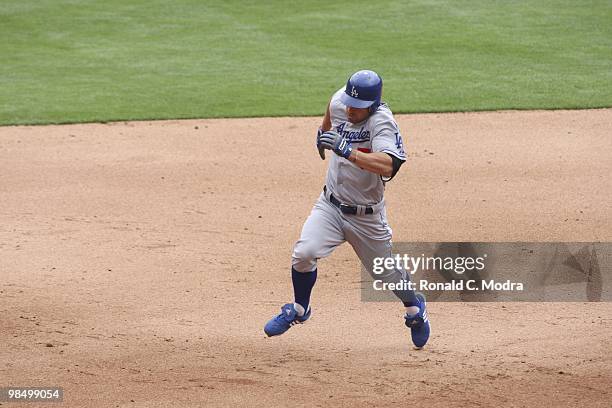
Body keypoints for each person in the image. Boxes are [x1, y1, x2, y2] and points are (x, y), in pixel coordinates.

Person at [263, 70, 430, 348]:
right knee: (304, 252)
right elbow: (331, 114)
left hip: (366, 216)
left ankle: (415, 308)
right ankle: (300, 310)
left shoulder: (382, 123)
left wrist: (347, 150)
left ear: (373, 105)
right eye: (349, 103)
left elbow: (389, 164)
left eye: (359, 108)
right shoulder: (342, 101)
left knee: (385, 273)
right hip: (330, 205)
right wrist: (322, 132)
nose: (351, 110)